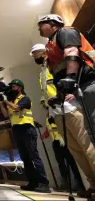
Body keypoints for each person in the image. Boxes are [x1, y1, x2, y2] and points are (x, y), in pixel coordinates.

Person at [37, 14, 95, 198]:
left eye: (42, 25)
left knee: (90, 137)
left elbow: (72, 53)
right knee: (76, 147)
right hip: (73, 93)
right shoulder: (51, 47)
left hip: (88, 83)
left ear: (53, 24)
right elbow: (58, 74)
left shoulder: (66, 32)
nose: (39, 28)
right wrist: (59, 95)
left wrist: (70, 78)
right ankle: (93, 184)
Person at [32, 43, 89, 194]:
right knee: (72, 150)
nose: (34, 58)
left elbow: (67, 79)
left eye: (35, 54)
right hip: (55, 112)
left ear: (43, 53)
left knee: (84, 146)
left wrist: (68, 94)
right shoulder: (42, 73)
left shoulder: (55, 64)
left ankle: (81, 183)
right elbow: (48, 91)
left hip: (68, 106)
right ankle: (80, 183)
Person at [0, 79, 51, 193]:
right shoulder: (12, 101)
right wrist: (1, 103)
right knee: (25, 158)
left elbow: (17, 108)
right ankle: (33, 182)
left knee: (34, 156)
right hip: (17, 129)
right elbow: (6, 115)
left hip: (27, 129)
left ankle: (44, 183)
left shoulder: (25, 99)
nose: (12, 89)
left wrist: (5, 101)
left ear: (20, 88)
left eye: (14, 87)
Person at [40, 101, 85, 191]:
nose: (43, 105)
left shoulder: (56, 112)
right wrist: (45, 134)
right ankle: (65, 184)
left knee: (71, 163)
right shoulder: (48, 115)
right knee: (61, 164)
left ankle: (80, 184)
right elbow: (49, 127)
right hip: (55, 142)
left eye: (43, 103)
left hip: (63, 140)